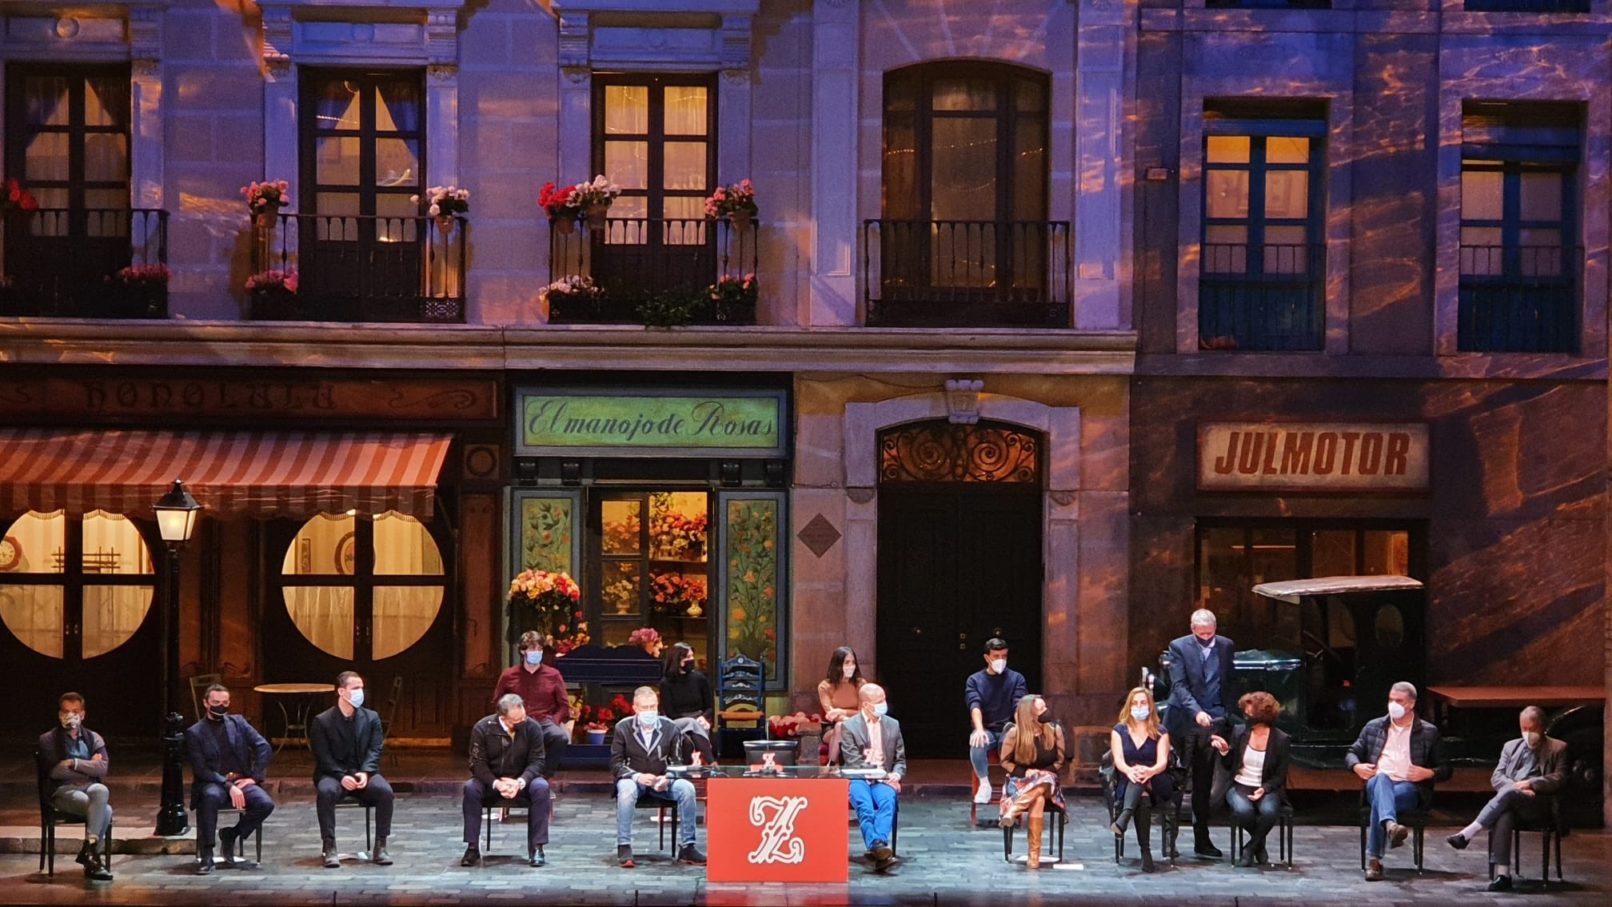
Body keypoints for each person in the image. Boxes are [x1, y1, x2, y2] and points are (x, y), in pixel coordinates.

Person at [1446, 706, 1567, 892]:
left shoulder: (1558, 748)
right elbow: (1497, 776)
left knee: (1508, 795)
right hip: (1513, 800)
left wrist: (1530, 784)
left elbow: (1559, 778)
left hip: (1538, 803)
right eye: (1523, 729)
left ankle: (1469, 832)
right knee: (1504, 814)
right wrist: (1517, 788)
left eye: (1532, 729)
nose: (1527, 733)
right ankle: (1503, 875)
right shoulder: (1510, 747)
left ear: (1542, 727)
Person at [1346, 681, 1450, 881]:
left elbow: (1446, 769)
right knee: (1381, 779)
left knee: (1381, 803)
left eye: (1399, 701)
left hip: (1408, 788)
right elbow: (1352, 752)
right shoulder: (1374, 726)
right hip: (1376, 783)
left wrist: (1428, 773)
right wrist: (1356, 766)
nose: (1393, 704)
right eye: (1390, 699)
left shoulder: (1428, 732)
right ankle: (1391, 827)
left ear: (1411, 704)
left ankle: (1375, 860)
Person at [1165, 608, 1236, 859]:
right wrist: (1196, 712)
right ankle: (1170, 840)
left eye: (1210, 633)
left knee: (1204, 783)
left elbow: (1229, 682)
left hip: (1213, 721)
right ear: (1193, 629)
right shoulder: (1179, 647)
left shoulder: (1226, 646)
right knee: (1178, 780)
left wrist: (1225, 713)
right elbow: (1179, 686)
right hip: (1184, 721)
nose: (1206, 637)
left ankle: (1202, 840)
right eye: (1201, 634)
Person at [610, 685, 706, 868]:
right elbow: (616, 764)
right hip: (634, 780)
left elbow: (677, 763)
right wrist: (637, 776)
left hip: (662, 781)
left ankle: (688, 847)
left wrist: (668, 778)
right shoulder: (623, 728)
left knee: (687, 788)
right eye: (645, 708)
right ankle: (624, 845)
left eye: (652, 707)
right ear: (635, 708)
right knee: (626, 788)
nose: (649, 712)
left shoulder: (670, 727)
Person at [185, 684, 274, 875]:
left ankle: (231, 834)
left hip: (241, 780)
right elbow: (201, 769)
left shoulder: (238, 723)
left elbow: (263, 746)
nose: (220, 706)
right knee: (209, 797)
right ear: (206, 703)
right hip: (214, 782)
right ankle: (207, 854)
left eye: (225, 703)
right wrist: (227, 786)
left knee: (265, 803)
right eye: (216, 702)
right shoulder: (195, 732)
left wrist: (254, 777)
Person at [308, 671, 395, 868]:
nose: (360, 692)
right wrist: (341, 776)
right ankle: (329, 846)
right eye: (355, 688)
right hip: (333, 773)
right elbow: (322, 755)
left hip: (362, 772)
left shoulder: (371, 718)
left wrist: (365, 771)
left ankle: (381, 846)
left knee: (385, 792)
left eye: (361, 688)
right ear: (341, 691)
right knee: (326, 792)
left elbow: (375, 749)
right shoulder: (322, 721)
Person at [461, 693, 551, 868]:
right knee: (471, 788)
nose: (522, 722)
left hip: (522, 781)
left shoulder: (532, 727)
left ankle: (537, 847)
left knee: (541, 787)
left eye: (523, 717)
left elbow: (538, 761)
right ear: (502, 718)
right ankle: (472, 847)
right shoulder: (483, 728)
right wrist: (497, 783)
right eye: (516, 721)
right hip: (492, 781)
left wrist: (520, 782)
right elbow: (476, 763)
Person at [37, 692, 113, 881]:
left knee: (101, 790)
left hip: (90, 788)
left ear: (83, 714)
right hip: (63, 791)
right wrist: (89, 766)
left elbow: (103, 768)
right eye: (65, 711)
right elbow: (55, 772)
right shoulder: (48, 739)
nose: (70, 716)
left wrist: (73, 763)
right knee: (105, 810)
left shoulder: (93, 738)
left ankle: (90, 851)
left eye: (75, 711)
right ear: (59, 714)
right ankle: (92, 857)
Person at [1210, 691, 1291, 867]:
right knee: (1243, 810)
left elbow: (1280, 774)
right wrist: (1224, 751)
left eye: (1249, 713)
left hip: (1266, 786)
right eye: (1245, 713)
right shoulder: (1240, 732)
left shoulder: (1281, 739)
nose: (1246, 717)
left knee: (1269, 811)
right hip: (1240, 784)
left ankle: (1249, 848)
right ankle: (1259, 846)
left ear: (1262, 715)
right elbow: (1229, 765)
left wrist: (1265, 789)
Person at [841, 683, 905, 874]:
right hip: (859, 778)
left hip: (883, 779)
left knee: (887, 800)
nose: (884, 704)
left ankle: (877, 846)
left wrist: (896, 774)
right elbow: (853, 761)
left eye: (884, 699)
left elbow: (900, 760)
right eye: (879, 701)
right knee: (865, 805)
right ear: (866, 705)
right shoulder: (849, 727)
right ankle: (879, 847)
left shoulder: (893, 725)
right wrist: (876, 772)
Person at [1110, 686, 1175, 873]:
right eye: (1135, 703)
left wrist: (1150, 771)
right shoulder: (1119, 731)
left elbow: (1162, 763)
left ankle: (1125, 817)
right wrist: (1130, 771)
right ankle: (1146, 853)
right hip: (1128, 778)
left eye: (1143, 703)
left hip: (1157, 780)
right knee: (1142, 797)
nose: (1139, 706)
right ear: (1129, 706)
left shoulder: (1161, 731)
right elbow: (1119, 761)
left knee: (1142, 782)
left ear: (1150, 706)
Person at [997, 694, 1066, 870]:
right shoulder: (1015, 733)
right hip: (1021, 782)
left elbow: (1060, 761)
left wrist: (1042, 773)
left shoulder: (1054, 730)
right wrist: (1025, 772)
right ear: (1030, 714)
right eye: (1041, 709)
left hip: (1048, 782)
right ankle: (1033, 855)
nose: (1046, 711)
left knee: (1045, 779)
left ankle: (1014, 810)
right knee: (1038, 800)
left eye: (1045, 707)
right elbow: (1004, 762)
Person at [492, 631, 570, 778]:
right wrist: (508, 720)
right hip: (517, 722)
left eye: (540, 649)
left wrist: (554, 720)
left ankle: (544, 775)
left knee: (560, 737)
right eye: (533, 649)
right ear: (523, 651)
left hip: (544, 721)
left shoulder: (553, 675)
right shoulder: (508, 675)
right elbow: (498, 702)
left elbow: (564, 705)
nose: (537, 653)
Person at [965, 637, 1027, 805]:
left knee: (1016, 740)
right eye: (996, 656)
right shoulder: (975, 680)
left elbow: (1018, 706)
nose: (1001, 660)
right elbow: (974, 705)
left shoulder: (1016, 679)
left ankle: (1011, 783)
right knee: (977, 741)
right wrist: (979, 729)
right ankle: (984, 784)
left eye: (1004, 656)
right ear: (987, 658)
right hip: (988, 730)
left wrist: (1021, 729)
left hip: (1009, 729)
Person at [658, 643, 716, 765]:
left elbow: (709, 707)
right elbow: (670, 713)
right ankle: (711, 762)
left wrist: (704, 717)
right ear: (677, 659)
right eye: (688, 657)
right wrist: (692, 721)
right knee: (691, 723)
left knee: (694, 734)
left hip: (699, 719)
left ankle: (698, 764)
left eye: (692, 656)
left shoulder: (699, 679)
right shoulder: (666, 683)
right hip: (677, 722)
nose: (692, 660)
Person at [817, 646, 867, 766]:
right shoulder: (825, 686)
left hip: (858, 724)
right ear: (838, 665)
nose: (851, 666)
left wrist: (841, 711)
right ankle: (834, 765)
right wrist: (845, 719)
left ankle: (831, 765)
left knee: (841, 728)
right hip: (831, 727)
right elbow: (831, 714)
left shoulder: (861, 684)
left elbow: (863, 712)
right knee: (840, 726)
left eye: (853, 662)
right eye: (847, 662)